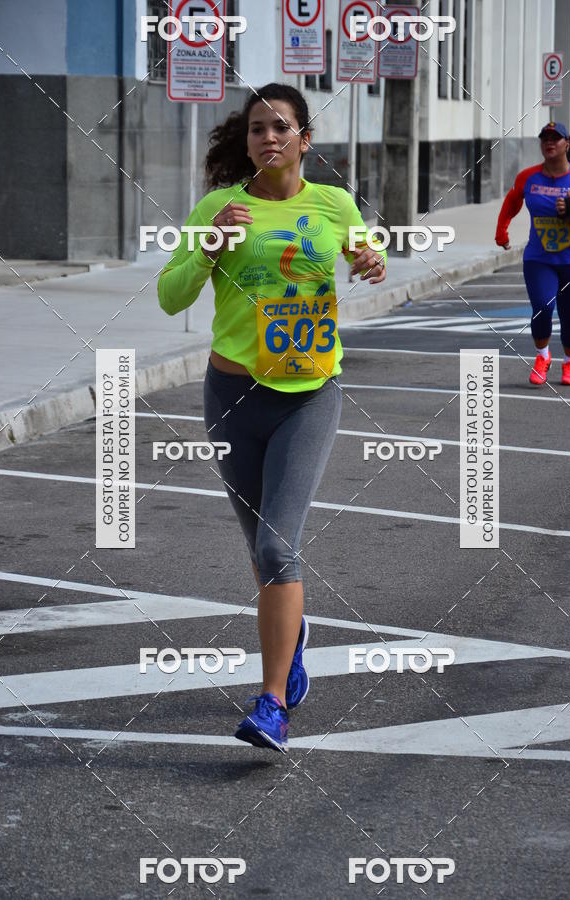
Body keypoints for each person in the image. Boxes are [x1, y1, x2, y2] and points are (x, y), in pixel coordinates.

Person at [157, 83, 387, 752]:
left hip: (309, 394)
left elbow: (365, 256)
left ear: (304, 140)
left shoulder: (334, 203)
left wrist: (369, 260)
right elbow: (173, 298)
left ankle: (272, 703)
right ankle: (294, 642)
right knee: (263, 556)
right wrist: (209, 246)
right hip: (231, 401)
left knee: (275, 548)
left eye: (280, 126)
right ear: (249, 141)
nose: (267, 137)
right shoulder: (217, 207)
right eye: (257, 128)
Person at [495, 121, 570, 386]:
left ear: (567, 144)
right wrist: (501, 231)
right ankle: (542, 356)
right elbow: (512, 201)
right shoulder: (529, 177)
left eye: (555, 138)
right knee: (542, 308)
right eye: (545, 138)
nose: (549, 143)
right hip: (539, 259)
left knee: (569, 316)